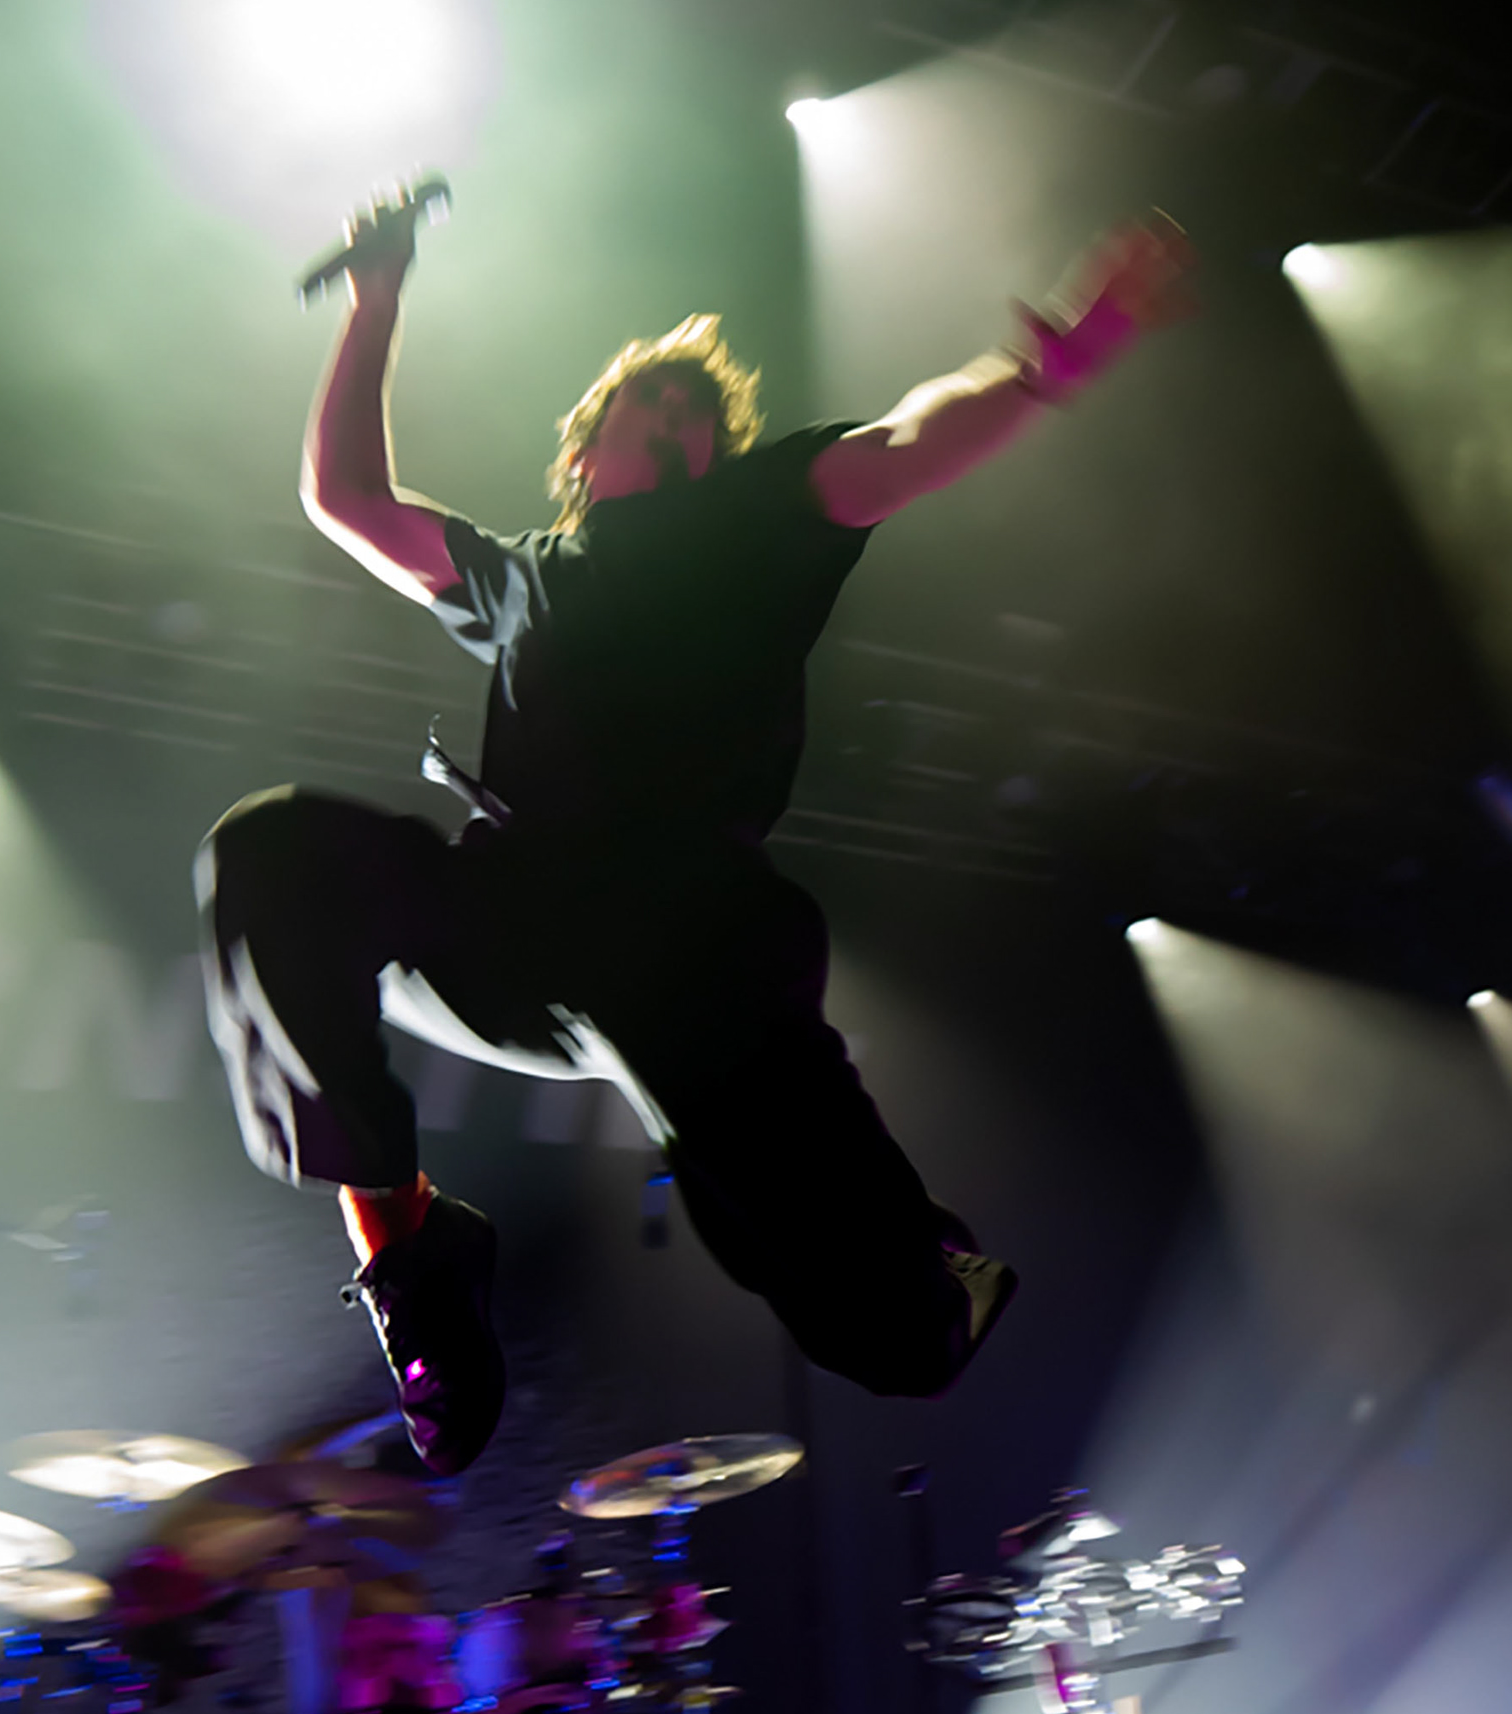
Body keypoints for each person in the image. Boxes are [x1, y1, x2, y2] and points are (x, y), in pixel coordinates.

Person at [196, 193, 1199, 1476]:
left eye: (699, 412)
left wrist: (1041, 364)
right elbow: (346, 497)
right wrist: (376, 300)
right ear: (581, 452)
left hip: (679, 950)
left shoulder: (762, 518)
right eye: (650, 401)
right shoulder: (521, 577)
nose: (678, 417)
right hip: (505, 933)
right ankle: (407, 1246)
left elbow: (908, 440)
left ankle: (914, 1267)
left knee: (895, 1337)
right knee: (273, 854)